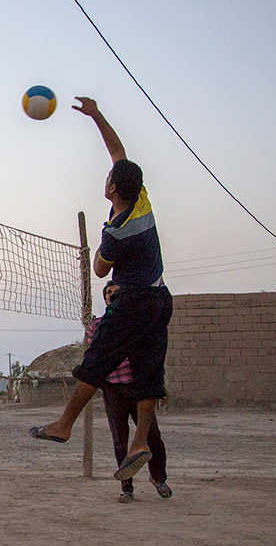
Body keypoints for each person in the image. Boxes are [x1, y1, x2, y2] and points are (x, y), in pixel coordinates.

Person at [29, 97, 172, 483]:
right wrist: (96, 115)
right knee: (148, 374)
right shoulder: (140, 200)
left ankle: (63, 424)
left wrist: (102, 246)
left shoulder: (119, 231)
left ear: (111, 188)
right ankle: (140, 441)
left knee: (95, 363)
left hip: (135, 302)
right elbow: (118, 151)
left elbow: (99, 269)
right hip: (161, 299)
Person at [89, 281, 170, 503]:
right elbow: (93, 354)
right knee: (120, 441)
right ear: (105, 299)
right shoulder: (98, 325)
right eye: (109, 293)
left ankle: (158, 478)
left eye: (117, 292)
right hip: (113, 388)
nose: (113, 295)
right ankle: (127, 488)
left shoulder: (139, 321)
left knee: (152, 436)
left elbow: (151, 356)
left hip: (138, 387)